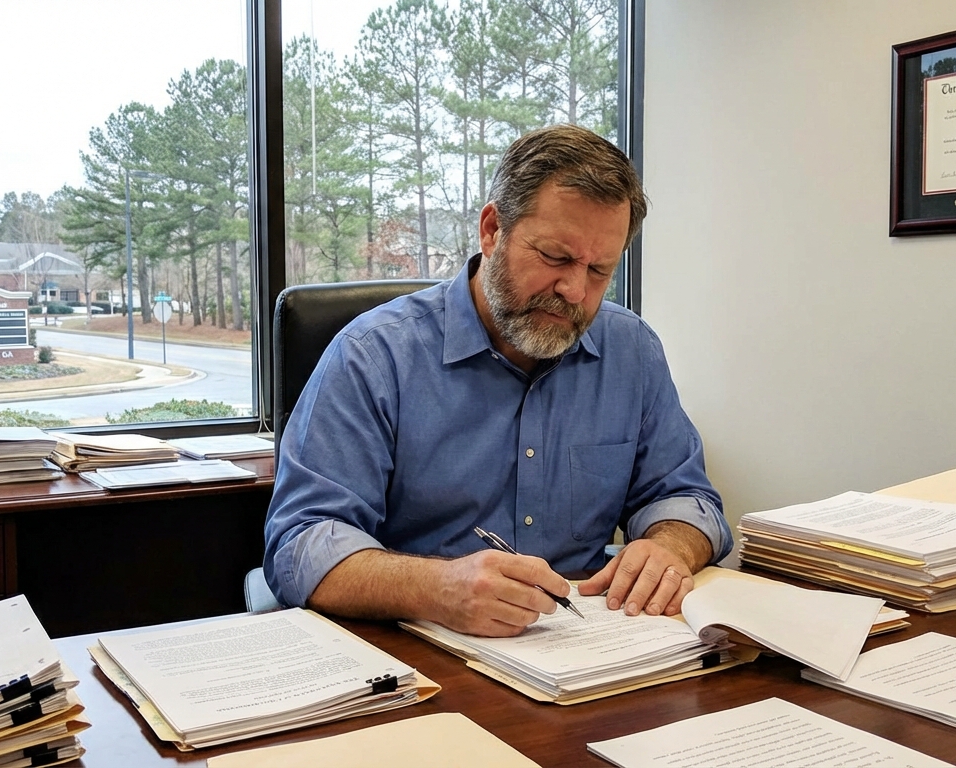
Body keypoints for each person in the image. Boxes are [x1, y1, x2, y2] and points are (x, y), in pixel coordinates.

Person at [263, 124, 730, 637]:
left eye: (599, 270)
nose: (575, 290)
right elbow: (301, 543)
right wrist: (437, 587)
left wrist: (670, 546)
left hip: (586, 648)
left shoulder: (631, 351)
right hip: (415, 658)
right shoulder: (374, 356)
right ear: (491, 231)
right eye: (555, 257)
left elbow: (685, 497)